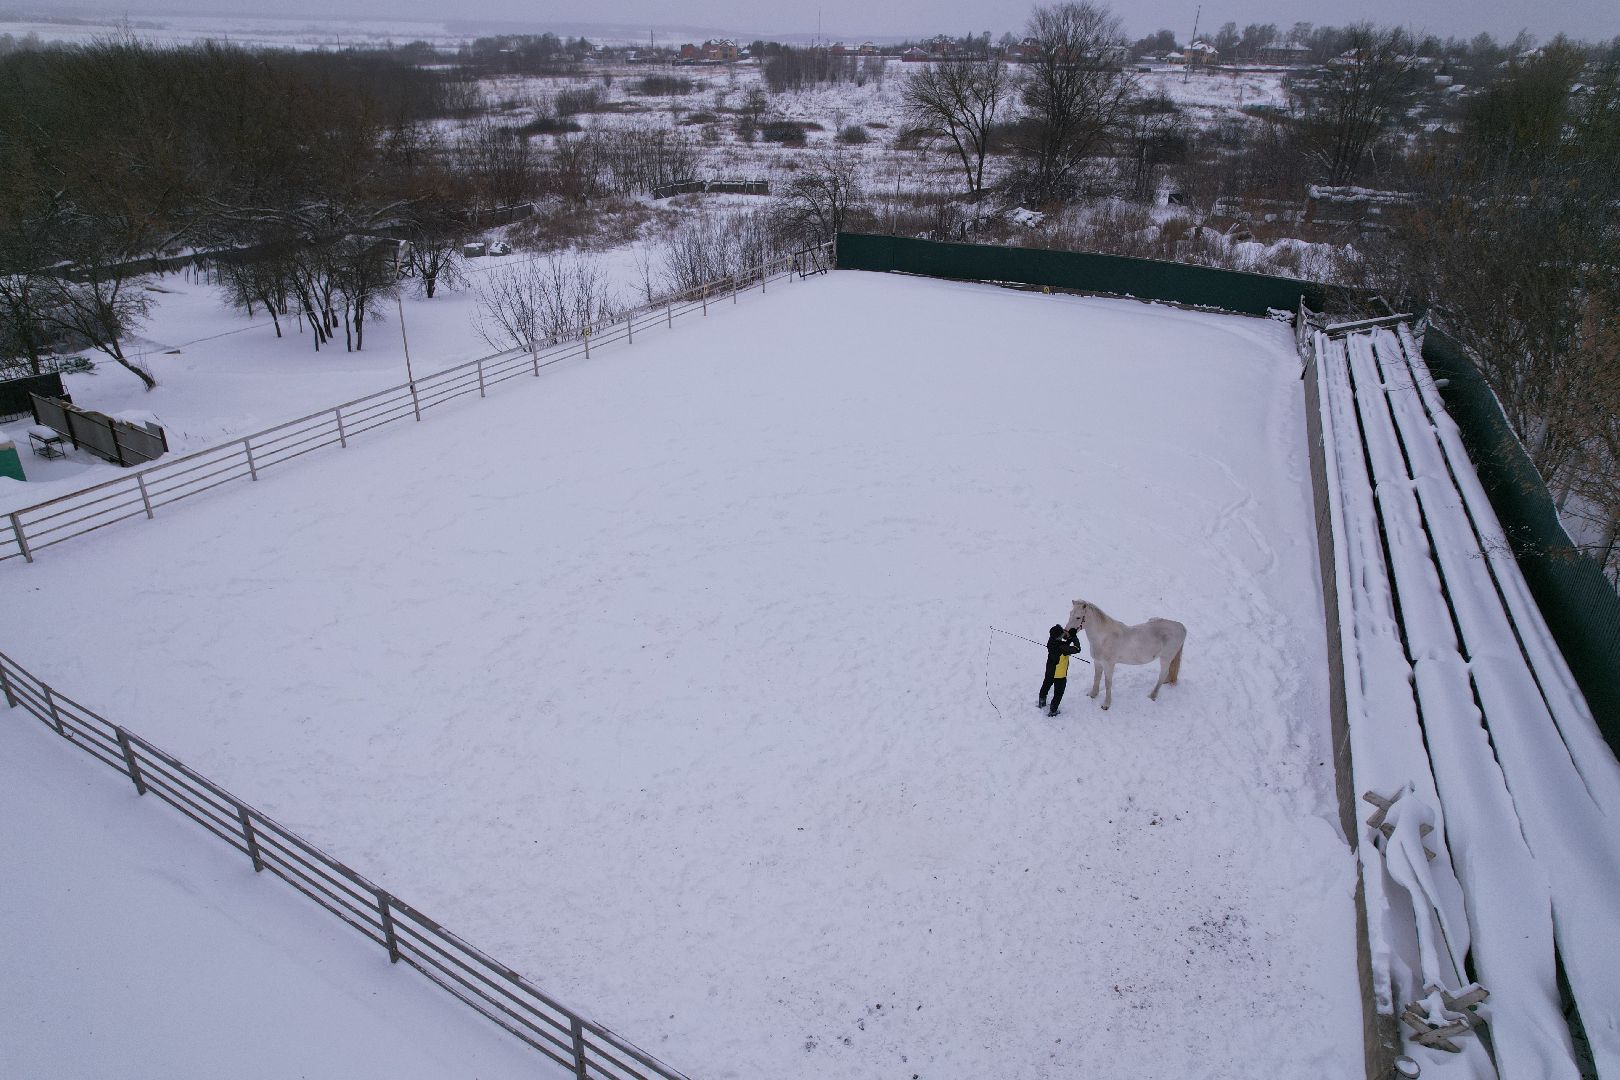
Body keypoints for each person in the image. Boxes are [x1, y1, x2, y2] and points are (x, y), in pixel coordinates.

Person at [1039, 624, 1081, 716]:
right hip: (1059, 674)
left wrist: (1069, 637)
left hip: (1050, 670)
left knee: (1046, 686)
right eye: (1062, 633)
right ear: (1059, 637)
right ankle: (1053, 710)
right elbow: (1077, 649)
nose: (1064, 634)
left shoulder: (1051, 641)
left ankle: (1042, 701)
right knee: (1058, 693)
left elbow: (1064, 644)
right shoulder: (1063, 648)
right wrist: (1074, 637)